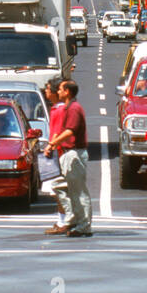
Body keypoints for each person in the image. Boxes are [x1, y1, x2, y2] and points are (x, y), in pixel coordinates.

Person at [45, 80, 91, 237]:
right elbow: (61, 130)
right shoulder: (67, 108)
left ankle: (84, 226)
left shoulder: (73, 109)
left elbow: (70, 131)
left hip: (74, 154)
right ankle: (72, 219)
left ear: (67, 92)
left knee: (79, 192)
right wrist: (53, 145)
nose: (58, 92)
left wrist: (53, 143)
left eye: (60, 90)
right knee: (60, 186)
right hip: (67, 154)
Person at [43, 79, 69, 234]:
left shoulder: (59, 110)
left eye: (47, 89)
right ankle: (62, 220)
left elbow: (57, 132)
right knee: (58, 190)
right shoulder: (57, 108)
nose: (46, 91)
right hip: (58, 152)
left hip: (60, 154)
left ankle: (63, 221)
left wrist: (50, 145)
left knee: (59, 190)